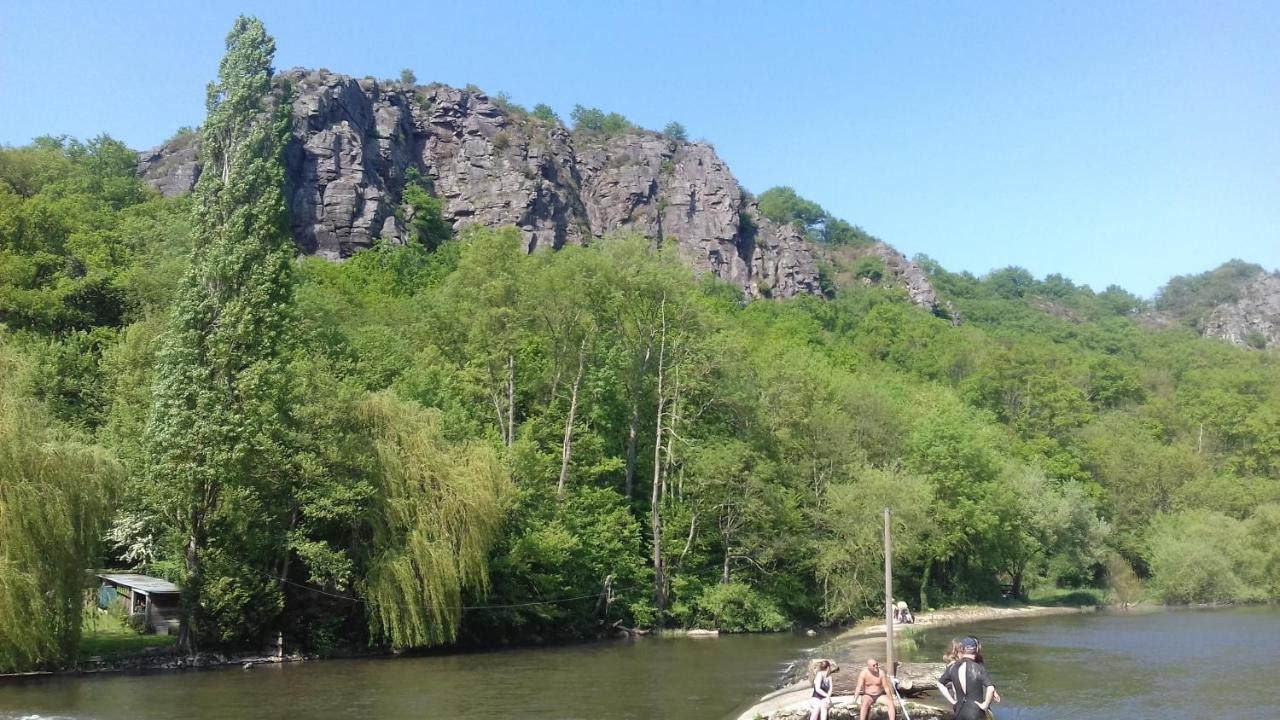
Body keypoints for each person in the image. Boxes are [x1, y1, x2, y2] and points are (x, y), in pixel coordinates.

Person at [935, 636, 1000, 720]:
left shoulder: (952, 667)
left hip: (959, 710)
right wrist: (985, 705)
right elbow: (990, 688)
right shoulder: (978, 668)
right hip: (975, 712)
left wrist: (952, 701)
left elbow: (939, 683)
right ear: (976, 650)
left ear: (962, 649)